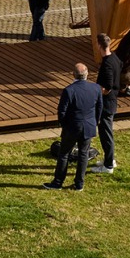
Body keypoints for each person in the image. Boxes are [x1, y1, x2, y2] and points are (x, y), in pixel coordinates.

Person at [42, 63, 102, 191]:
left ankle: (58, 182)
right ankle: (79, 184)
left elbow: (62, 111)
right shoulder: (96, 88)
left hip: (72, 127)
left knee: (64, 154)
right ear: (87, 74)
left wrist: (64, 125)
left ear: (73, 74)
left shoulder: (69, 90)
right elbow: (99, 108)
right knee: (83, 154)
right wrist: (94, 122)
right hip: (88, 125)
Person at [91, 32, 121, 175]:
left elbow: (107, 87)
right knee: (106, 133)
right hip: (112, 101)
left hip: (107, 104)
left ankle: (108, 165)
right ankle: (110, 159)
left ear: (99, 45)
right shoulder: (114, 58)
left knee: (106, 134)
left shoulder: (107, 64)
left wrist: (95, 91)